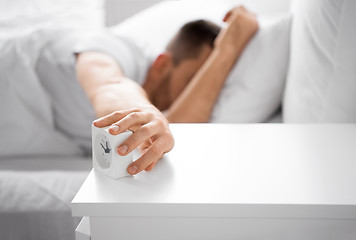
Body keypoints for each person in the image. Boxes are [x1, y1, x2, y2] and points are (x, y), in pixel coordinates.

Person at [37, 6, 258, 175]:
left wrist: (228, 51)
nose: (199, 94)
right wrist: (142, 115)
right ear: (162, 65)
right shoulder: (113, 47)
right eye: (193, 80)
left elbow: (178, 130)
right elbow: (110, 85)